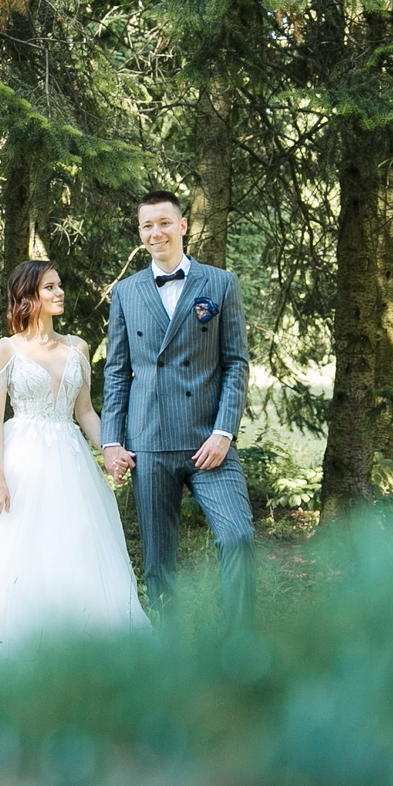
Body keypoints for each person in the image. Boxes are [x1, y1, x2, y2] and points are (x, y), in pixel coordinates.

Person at [0, 260, 148, 683]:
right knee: (15, 552)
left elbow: (86, 413)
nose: (60, 292)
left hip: (70, 461)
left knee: (74, 548)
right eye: (49, 287)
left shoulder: (78, 347)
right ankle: (11, 648)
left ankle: (79, 652)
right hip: (21, 459)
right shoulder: (5, 349)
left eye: (59, 285)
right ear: (28, 297)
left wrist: (111, 451)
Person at [100, 190, 256, 625]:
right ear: (140, 232)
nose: (156, 232)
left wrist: (224, 432)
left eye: (164, 223)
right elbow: (116, 371)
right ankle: (169, 655)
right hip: (149, 442)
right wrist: (112, 441)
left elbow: (236, 363)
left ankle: (240, 642)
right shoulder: (126, 292)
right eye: (147, 225)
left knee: (238, 535)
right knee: (158, 561)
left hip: (209, 441)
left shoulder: (220, 283)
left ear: (183, 226)